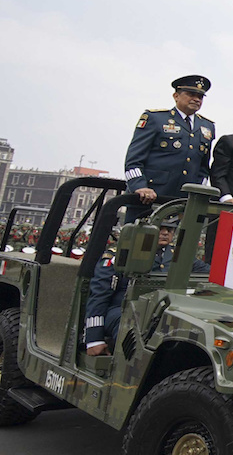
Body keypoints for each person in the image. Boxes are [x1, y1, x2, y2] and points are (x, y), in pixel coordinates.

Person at [123, 74, 216, 219]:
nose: (196, 99)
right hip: (149, 199)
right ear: (176, 96)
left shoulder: (207, 126)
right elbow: (133, 160)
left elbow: (203, 168)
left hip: (182, 204)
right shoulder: (155, 118)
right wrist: (139, 186)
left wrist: (198, 193)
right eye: (191, 94)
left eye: (200, 96)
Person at [85, 222, 183, 355]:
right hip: (121, 309)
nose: (165, 233)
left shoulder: (178, 255)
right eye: (160, 228)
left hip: (161, 310)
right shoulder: (121, 255)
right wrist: (94, 339)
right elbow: (99, 296)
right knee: (131, 323)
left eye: (170, 229)